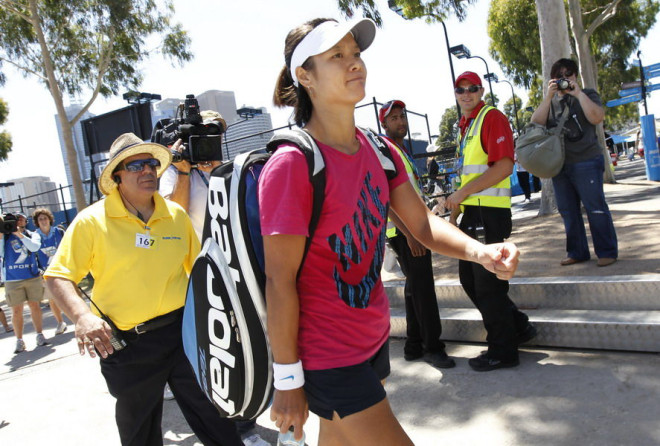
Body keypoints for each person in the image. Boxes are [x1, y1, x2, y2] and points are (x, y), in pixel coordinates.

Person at [262, 19, 520, 445]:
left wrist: (481, 252)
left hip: (372, 339)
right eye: (337, 57)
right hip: (328, 354)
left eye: (356, 54)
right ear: (304, 76)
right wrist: (287, 378)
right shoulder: (292, 165)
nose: (355, 64)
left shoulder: (381, 150)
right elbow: (279, 281)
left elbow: (421, 224)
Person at [44, 133, 242, 446]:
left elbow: (200, 273)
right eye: (137, 165)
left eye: (152, 164)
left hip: (184, 335)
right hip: (128, 344)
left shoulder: (175, 215)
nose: (148, 171)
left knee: (216, 419)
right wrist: (82, 316)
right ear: (117, 176)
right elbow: (57, 275)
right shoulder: (91, 222)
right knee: (139, 433)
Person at [159, 112, 271, 446]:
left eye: (215, 134)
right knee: (218, 351)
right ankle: (239, 429)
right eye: (202, 135)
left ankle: (246, 421)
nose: (210, 141)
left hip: (236, 270)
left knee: (243, 345)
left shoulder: (228, 172)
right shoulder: (174, 174)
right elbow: (171, 215)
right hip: (198, 277)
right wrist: (182, 170)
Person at [445, 71, 537, 372]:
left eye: (472, 89)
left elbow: (504, 167)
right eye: (460, 90)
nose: (466, 94)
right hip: (475, 211)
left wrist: (461, 193)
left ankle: (503, 350)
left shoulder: (491, 117)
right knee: (471, 281)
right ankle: (518, 327)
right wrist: (457, 207)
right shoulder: (467, 125)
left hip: (489, 212)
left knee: (485, 285)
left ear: (481, 90)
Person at [379, 99, 454, 369]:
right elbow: (384, 199)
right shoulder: (386, 151)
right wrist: (410, 234)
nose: (401, 122)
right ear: (384, 123)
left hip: (410, 229)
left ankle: (413, 344)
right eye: (394, 118)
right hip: (407, 232)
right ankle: (433, 347)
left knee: (414, 286)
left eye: (402, 117)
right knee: (424, 288)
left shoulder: (399, 149)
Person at [530, 58, 618, 267]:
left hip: (587, 160)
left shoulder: (587, 95)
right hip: (560, 165)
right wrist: (548, 96)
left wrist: (577, 93)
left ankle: (606, 251)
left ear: (575, 76)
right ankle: (577, 252)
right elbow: (536, 122)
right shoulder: (551, 102)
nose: (564, 80)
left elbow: (597, 118)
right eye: (559, 76)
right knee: (568, 210)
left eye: (568, 75)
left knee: (595, 207)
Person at [1, 212, 50, 353]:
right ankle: (19, 340)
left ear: (25, 222)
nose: (19, 221)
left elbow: (34, 247)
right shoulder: (5, 236)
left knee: (35, 306)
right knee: (16, 311)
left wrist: (19, 235)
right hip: (12, 279)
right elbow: (1, 253)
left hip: (31, 276)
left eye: (21, 219)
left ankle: (40, 335)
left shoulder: (32, 234)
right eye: (17, 219)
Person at [33, 208, 68, 335]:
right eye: (40, 219)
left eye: (45, 218)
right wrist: (38, 270)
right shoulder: (34, 236)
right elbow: (32, 255)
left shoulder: (59, 232)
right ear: (37, 222)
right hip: (46, 272)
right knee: (52, 298)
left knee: (73, 293)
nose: (43, 221)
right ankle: (60, 322)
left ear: (50, 219)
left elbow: (68, 248)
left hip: (63, 269)